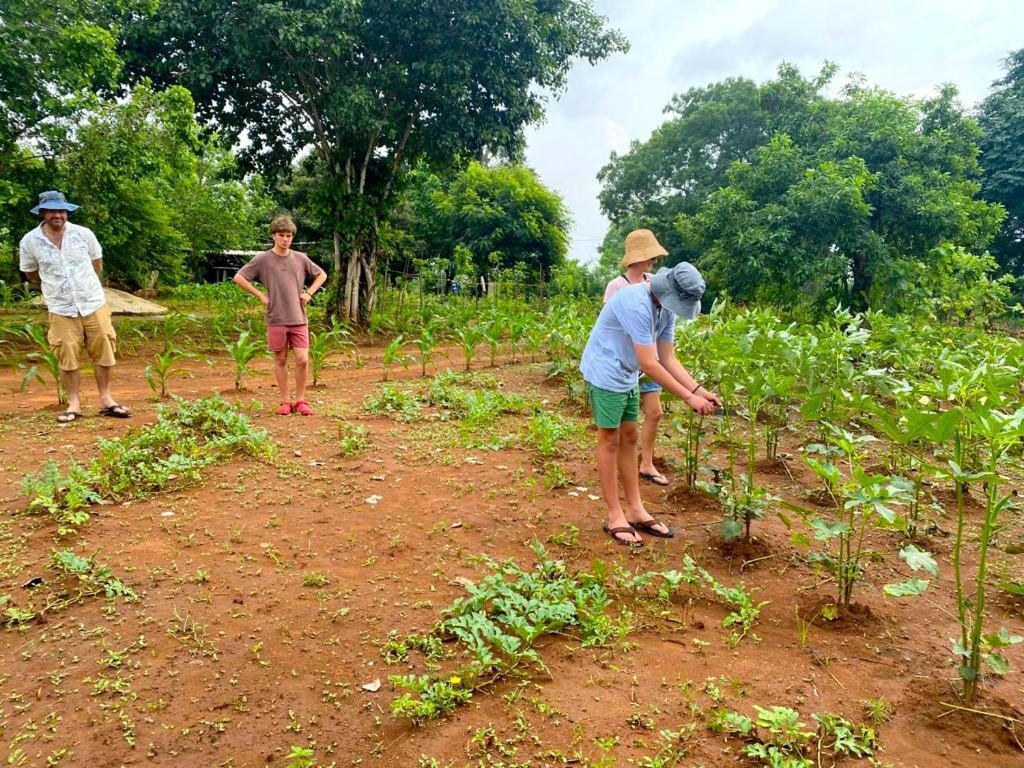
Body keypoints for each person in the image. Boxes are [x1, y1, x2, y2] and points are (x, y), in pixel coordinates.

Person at [580, 229, 720, 546]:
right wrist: (687, 398)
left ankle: (636, 510)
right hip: (606, 372)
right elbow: (650, 363)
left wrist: (699, 389)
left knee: (630, 437)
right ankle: (615, 514)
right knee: (610, 440)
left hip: (627, 373)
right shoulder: (633, 302)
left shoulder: (664, 308)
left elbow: (667, 357)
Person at [19, 190, 131, 423]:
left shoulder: (83, 234)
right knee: (67, 354)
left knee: (104, 349)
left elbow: (96, 264)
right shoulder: (30, 241)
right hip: (60, 307)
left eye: (61, 210)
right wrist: (54, 288)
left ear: (67, 212)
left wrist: (83, 286)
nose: (57, 215)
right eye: (52, 211)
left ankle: (106, 399)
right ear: (42, 213)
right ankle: (74, 404)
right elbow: (31, 273)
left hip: (93, 302)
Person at [233, 215, 327, 415]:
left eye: (289, 235)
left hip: (299, 317)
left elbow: (322, 274)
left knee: (302, 359)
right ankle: (285, 401)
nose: (286, 239)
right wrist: (260, 295)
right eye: (282, 235)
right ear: (273, 236)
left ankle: (301, 400)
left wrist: (309, 293)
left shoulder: (300, 258)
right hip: (276, 317)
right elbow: (239, 277)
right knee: (281, 359)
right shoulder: (262, 259)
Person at [603, 229, 669, 486]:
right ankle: (622, 463)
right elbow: (610, 324)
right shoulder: (617, 285)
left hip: (650, 361)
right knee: (622, 425)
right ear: (637, 257)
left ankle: (647, 463)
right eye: (650, 255)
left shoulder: (656, 282)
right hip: (625, 364)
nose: (653, 260)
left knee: (655, 412)